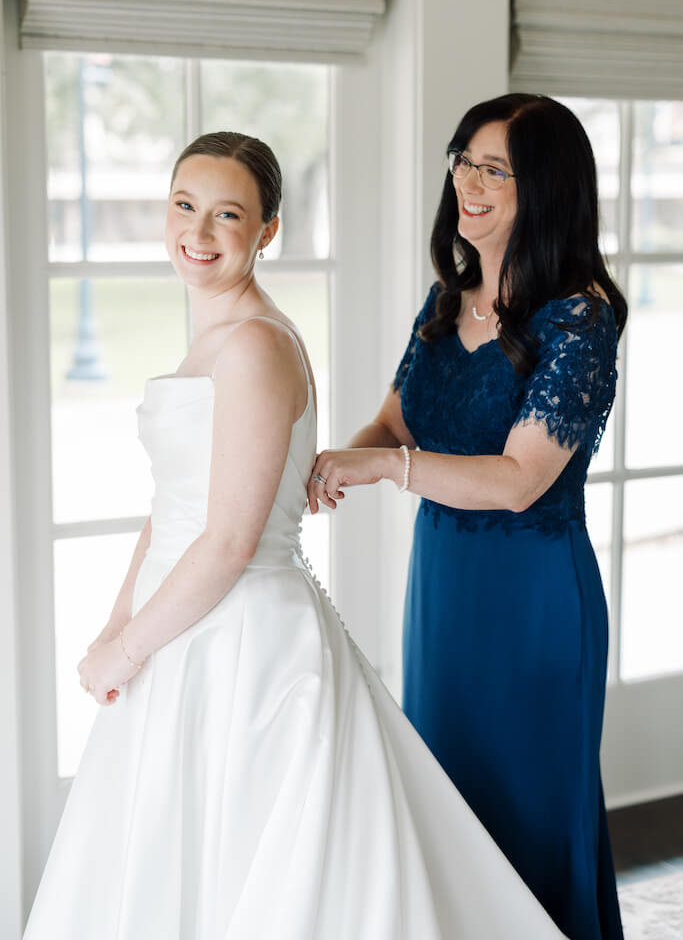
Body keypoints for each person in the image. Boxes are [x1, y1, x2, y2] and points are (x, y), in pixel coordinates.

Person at [23, 131, 566, 939]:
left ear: (267, 230)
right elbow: (172, 505)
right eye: (183, 206)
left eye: (226, 215)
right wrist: (117, 625)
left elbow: (229, 541)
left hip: (241, 641)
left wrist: (128, 648)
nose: (197, 234)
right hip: (181, 626)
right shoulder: (214, 334)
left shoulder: (253, 347)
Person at [307, 94, 626, 940]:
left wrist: (384, 466)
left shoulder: (581, 318)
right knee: (450, 805)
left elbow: (520, 479)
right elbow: (394, 424)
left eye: (493, 168)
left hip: (532, 598)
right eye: (462, 159)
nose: (466, 181)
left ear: (547, 190)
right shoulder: (445, 300)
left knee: (528, 814)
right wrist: (329, 463)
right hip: (443, 589)